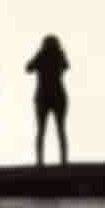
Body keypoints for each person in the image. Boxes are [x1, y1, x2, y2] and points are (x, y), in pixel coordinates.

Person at [26, 34, 71, 166]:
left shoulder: (42, 55)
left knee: (41, 129)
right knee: (60, 128)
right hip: (57, 95)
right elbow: (66, 66)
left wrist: (40, 55)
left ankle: (40, 161)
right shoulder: (59, 55)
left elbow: (28, 68)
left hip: (43, 96)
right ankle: (63, 160)